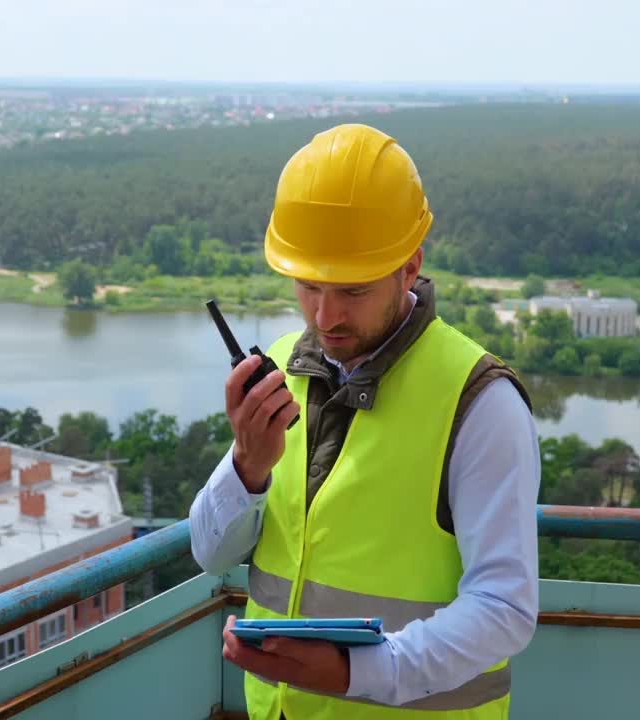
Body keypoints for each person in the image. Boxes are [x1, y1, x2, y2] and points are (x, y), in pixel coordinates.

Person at [188, 123, 540, 720]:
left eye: (352, 290)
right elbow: (209, 553)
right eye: (308, 286)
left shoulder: (479, 403)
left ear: (410, 267)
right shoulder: (276, 369)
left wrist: (360, 672)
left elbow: (505, 607)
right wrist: (248, 463)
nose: (326, 316)